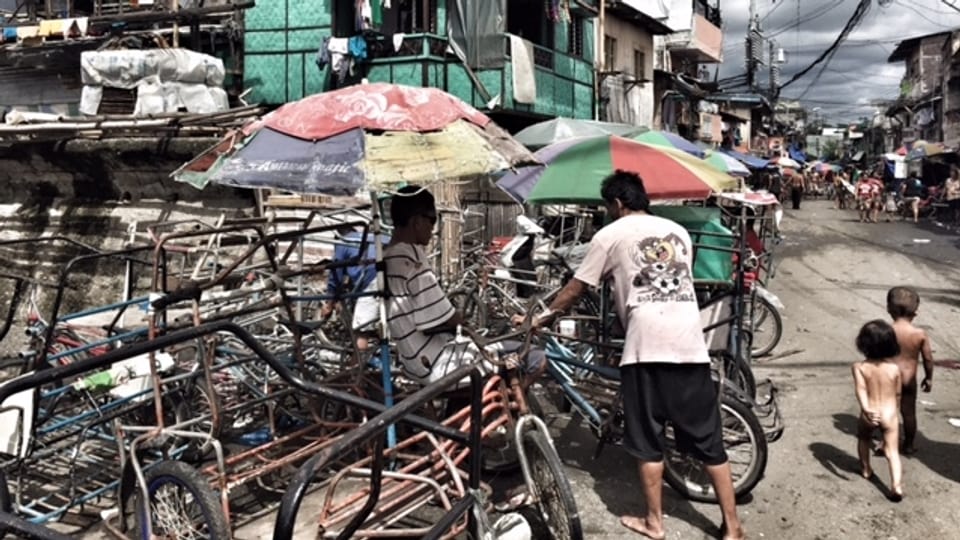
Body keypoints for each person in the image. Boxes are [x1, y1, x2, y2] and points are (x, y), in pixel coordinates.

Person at [523, 171, 744, 540]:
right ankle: (734, 526)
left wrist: (544, 315)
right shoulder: (679, 233)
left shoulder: (609, 234)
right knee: (709, 442)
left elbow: (578, 287)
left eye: (608, 207)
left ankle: (655, 522)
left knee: (648, 442)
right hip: (690, 345)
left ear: (618, 204)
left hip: (646, 348)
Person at [383, 185, 545, 387]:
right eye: (432, 219)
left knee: (496, 344)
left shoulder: (388, 256)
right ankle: (513, 407)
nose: (433, 228)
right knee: (535, 357)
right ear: (417, 221)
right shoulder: (411, 257)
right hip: (439, 362)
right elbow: (448, 316)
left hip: (416, 361)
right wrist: (469, 328)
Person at [851, 319, 904, 501]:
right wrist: (895, 411)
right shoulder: (894, 369)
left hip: (870, 411)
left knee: (864, 439)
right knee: (892, 451)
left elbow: (861, 389)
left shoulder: (860, 367)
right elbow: (897, 394)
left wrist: (866, 408)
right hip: (889, 414)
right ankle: (896, 485)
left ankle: (866, 468)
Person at [321, 226, 390, 352]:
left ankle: (358, 365)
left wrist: (329, 304)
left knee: (361, 329)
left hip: (372, 279)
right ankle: (382, 355)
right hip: (394, 276)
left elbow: (336, 273)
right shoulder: (373, 237)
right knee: (383, 319)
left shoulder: (343, 242)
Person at [886, 286, 934, 454]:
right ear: (916, 311)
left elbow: (877, 354)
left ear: (888, 309)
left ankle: (886, 443)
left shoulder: (887, 331)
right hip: (909, 378)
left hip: (888, 377)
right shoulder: (919, 334)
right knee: (909, 413)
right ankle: (908, 445)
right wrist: (929, 378)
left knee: (888, 412)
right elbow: (928, 358)